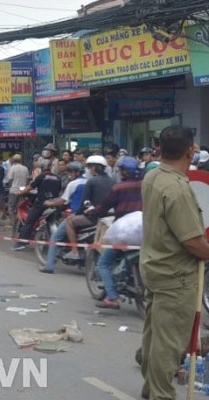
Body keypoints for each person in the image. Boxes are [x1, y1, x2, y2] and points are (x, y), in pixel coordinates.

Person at [139, 125, 209, 400]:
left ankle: (150, 387)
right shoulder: (177, 189)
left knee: (154, 336)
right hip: (175, 274)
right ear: (190, 151)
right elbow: (191, 241)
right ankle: (161, 394)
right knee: (168, 343)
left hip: (155, 266)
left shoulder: (153, 176)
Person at [88, 157, 143, 308]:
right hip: (145, 230)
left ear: (124, 171)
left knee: (103, 263)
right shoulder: (146, 186)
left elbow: (103, 207)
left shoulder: (118, 188)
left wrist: (92, 213)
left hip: (125, 232)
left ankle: (112, 298)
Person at [63, 155, 115, 260]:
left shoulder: (91, 181)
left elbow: (85, 202)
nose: (89, 169)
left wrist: (77, 213)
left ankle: (74, 251)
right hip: (111, 216)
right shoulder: (113, 181)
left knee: (69, 222)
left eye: (90, 167)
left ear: (95, 167)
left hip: (94, 217)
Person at [38, 161, 87, 274]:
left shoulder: (73, 184)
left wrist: (49, 203)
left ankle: (49, 266)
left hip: (76, 215)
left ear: (75, 172)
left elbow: (63, 200)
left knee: (55, 238)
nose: (69, 174)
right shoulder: (89, 182)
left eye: (70, 172)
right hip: (90, 215)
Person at [11, 159, 61, 251]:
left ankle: (22, 243)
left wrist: (20, 193)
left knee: (29, 222)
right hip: (55, 205)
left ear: (42, 168)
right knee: (52, 222)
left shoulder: (41, 177)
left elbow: (29, 188)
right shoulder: (57, 178)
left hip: (42, 205)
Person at [4, 154, 29, 224]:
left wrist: (11, 187)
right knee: (20, 207)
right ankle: (20, 221)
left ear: (13, 160)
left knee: (11, 207)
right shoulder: (25, 168)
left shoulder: (12, 168)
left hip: (13, 190)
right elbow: (27, 180)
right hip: (22, 190)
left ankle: (13, 221)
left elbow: (10, 180)